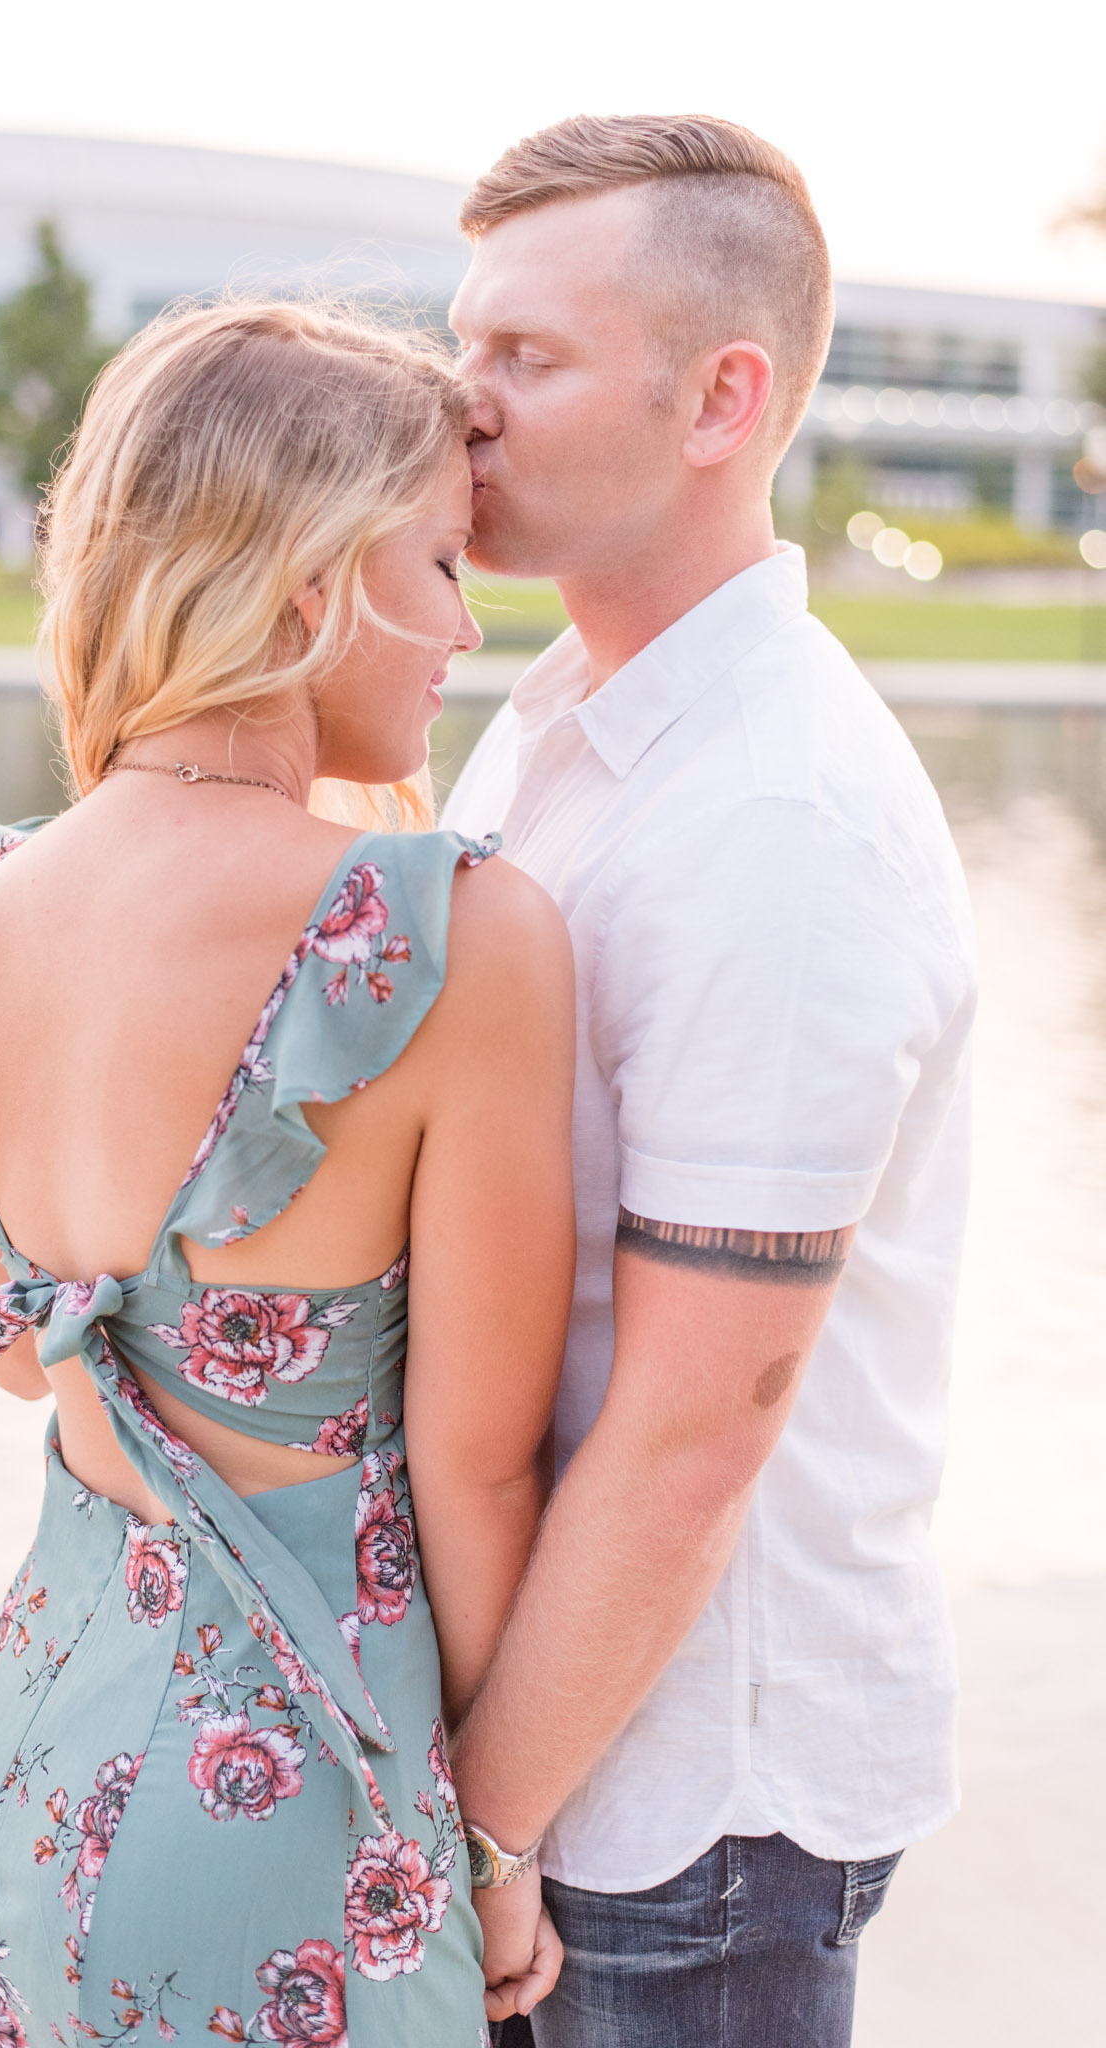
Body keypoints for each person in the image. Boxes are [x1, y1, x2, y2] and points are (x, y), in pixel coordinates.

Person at [0, 299, 572, 2048]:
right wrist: (496, 1841)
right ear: (311, 582)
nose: (463, 622)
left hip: (13, 1772)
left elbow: (11, 1341)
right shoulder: (443, 937)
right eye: (435, 560)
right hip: (287, 1812)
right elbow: (475, 1469)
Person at [441, 115, 978, 2048]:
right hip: (564, 1761)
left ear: (721, 399)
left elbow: (694, 1432)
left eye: (528, 357)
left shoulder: (780, 822)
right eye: (463, 341)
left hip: (681, 1821)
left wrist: (480, 1828)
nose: (462, 402)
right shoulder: (562, 733)